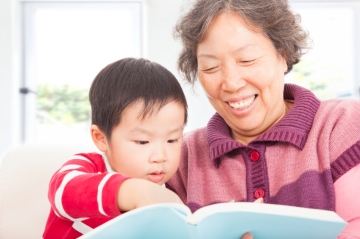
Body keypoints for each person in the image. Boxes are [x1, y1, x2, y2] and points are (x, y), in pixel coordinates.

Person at [166, 0, 360, 238]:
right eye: (211, 67)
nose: (231, 83)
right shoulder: (179, 156)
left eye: (247, 60)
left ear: (283, 54)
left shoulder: (344, 125)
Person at [42, 57, 188, 239]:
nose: (160, 156)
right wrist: (134, 192)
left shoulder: (167, 193)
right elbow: (62, 190)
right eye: (142, 142)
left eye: (172, 140)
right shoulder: (87, 167)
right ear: (101, 138)